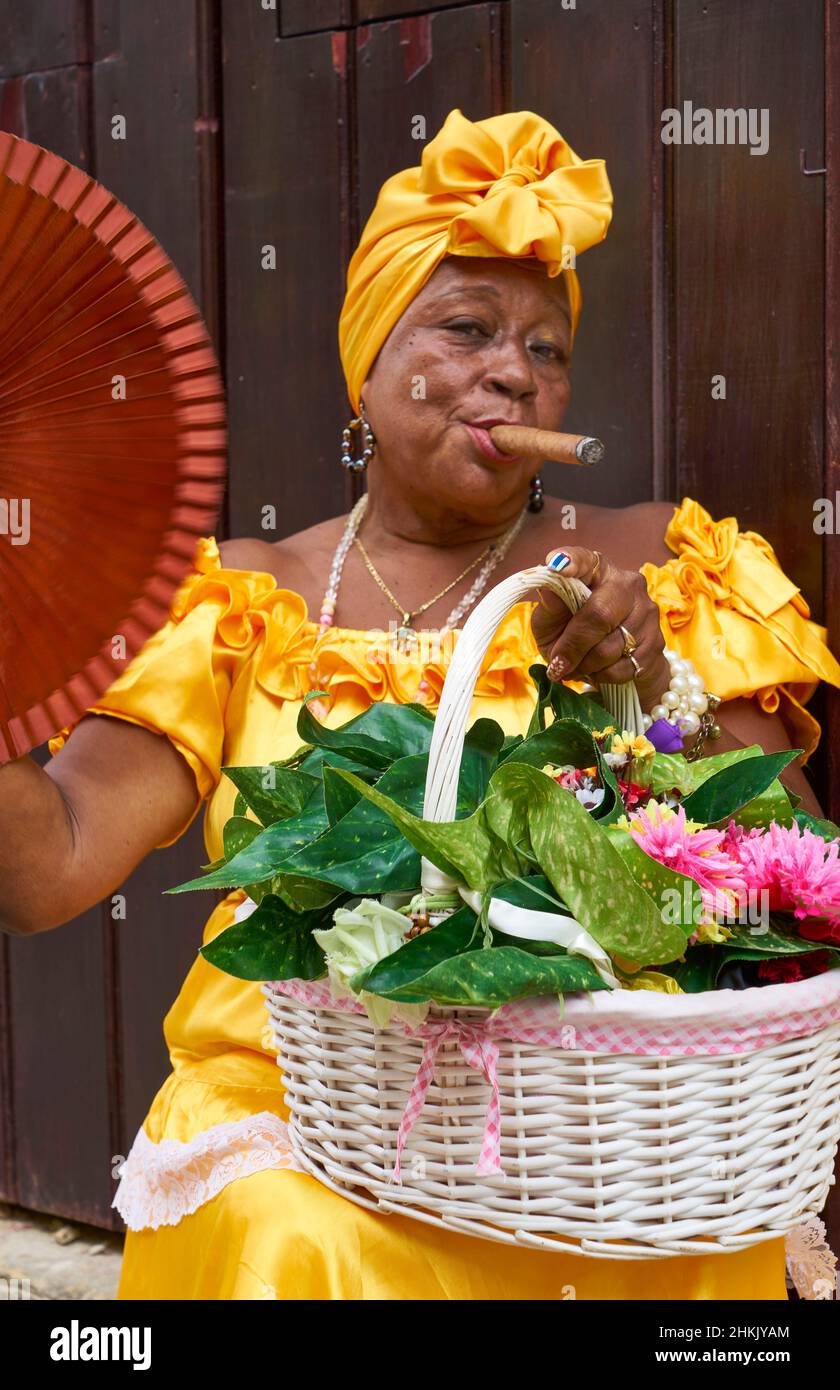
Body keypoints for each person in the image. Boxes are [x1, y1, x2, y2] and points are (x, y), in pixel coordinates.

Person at [4, 109, 839, 1300]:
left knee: (705, 1254)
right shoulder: (245, 595)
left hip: (592, 1135)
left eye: (547, 350)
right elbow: (47, 871)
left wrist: (651, 684)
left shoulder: (651, 564)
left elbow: (795, 873)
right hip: (306, 1114)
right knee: (293, 1234)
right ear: (369, 360)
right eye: (466, 329)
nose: (514, 369)